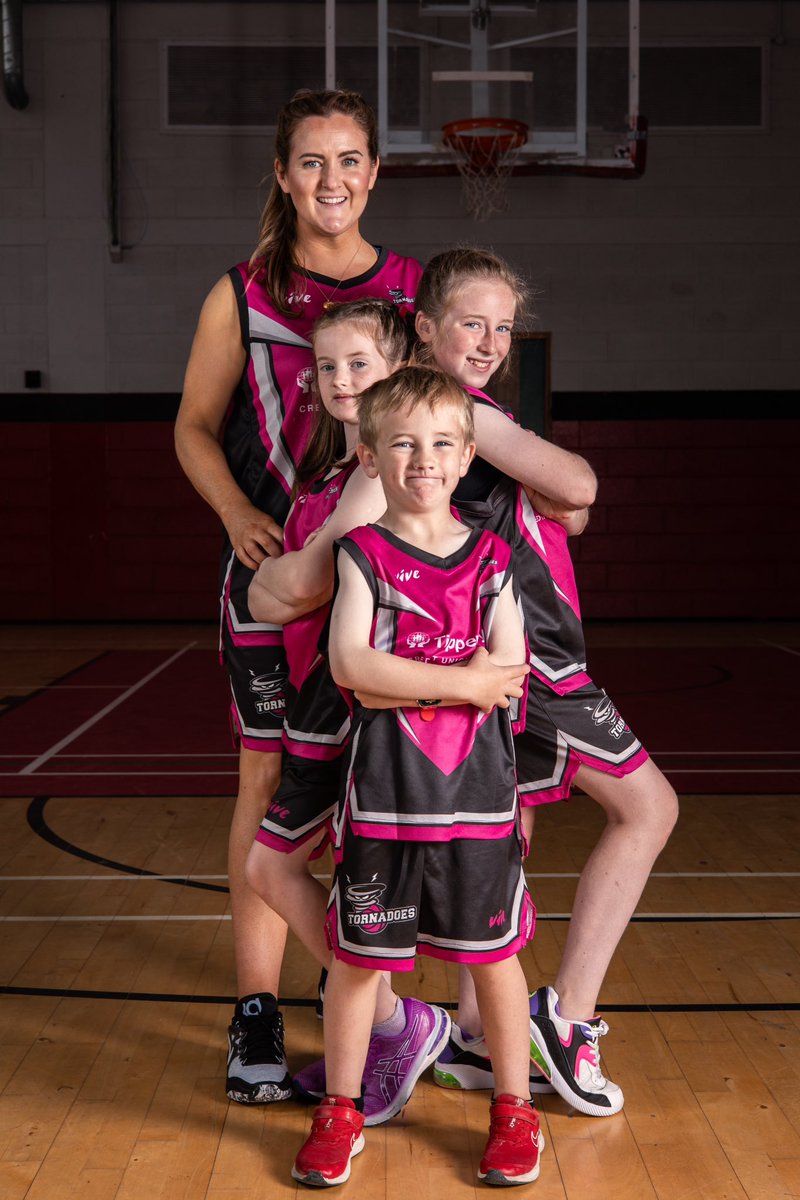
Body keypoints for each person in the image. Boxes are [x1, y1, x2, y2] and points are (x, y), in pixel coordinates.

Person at [174, 88, 422, 1105]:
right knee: (264, 790)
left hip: (386, 587)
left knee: (387, 797)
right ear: (282, 175)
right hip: (275, 581)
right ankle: (257, 1010)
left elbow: (455, 424)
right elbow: (193, 425)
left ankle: (386, 1010)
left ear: (374, 172)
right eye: (310, 162)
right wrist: (237, 513)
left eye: (349, 160)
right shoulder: (239, 294)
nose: (331, 180)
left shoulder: (410, 289)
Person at [411, 247, 679, 1118]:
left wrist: (558, 493)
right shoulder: (456, 410)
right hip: (537, 663)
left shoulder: (440, 413)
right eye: (470, 323)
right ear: (426, 328)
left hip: (497, 655)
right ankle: (566, 1019)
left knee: (503, 839)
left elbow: (569, 508)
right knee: (649, 808)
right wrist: (557, 481)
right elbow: (579, 484)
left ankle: (479, 1035)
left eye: (501, 328)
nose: (489, 341)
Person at [292, 366, 543, 1189]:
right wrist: (462, 681)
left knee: (492, 960)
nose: (423, 459)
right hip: (383, 801)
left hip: (476, 800)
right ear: (369, 456)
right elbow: (352, 666)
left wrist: (442, 677)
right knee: (360, 961)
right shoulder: (361, 552)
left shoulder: (494, 557)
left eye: (441, 444)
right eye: (401, 443)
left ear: (468, 456)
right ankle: (341, 1108)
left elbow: (513, 667)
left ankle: (513, 1109)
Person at [245, 300, 459, 1125]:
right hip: (313, 692)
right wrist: (285, 581)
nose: (338, 380)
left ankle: (397, 1025)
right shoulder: (338, 468)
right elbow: (287, 587)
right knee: (286, 870)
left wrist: (282, 581)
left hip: (349, 702)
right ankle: (384, 1027)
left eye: (357, 365)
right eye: (325, 367)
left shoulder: (377, 474)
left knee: (286, 868)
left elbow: (300, 585)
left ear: (396, 367)